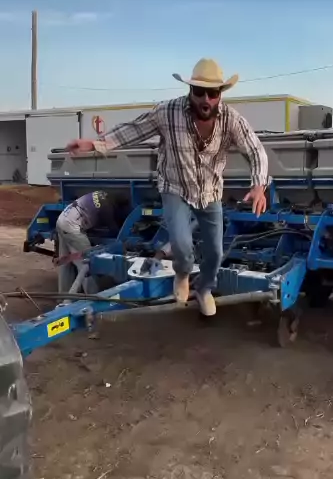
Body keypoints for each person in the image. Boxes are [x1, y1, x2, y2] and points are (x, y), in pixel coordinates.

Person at [66, 59, 269, 316]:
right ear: (190, 90)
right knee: (181, 246)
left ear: (220, 94)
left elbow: (255, 150)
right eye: (199, 92)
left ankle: (205, 289)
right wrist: (94, 144)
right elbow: (133, 130)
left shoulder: (231, 119)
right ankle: (182, 274)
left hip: (210, 192)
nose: (206, 99)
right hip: (175, 188)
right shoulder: (168, 112)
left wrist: (259, 185)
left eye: (213, 93)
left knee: (216, 252)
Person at [55, 190, 130, 293]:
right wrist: (123, 240)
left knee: (66, 261)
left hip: (61, 221)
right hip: (72, 228)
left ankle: (63, 294)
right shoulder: (107, 207)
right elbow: (113, 229)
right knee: (87, 262)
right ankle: (92, 296)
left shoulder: (100, 193)